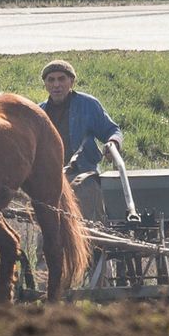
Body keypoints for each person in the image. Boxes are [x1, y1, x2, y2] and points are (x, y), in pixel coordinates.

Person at [38, 58, 122, 222]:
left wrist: (114, 142)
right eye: (51, 80)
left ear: (72, 81)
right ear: (45, 84)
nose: (56, 85)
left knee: (92, 228)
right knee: (48, 232)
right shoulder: (39, 112)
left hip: (83, 174)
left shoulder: (88, 105)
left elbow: (112, 130)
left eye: (61, 79)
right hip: (50, 180)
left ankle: (96, 246)